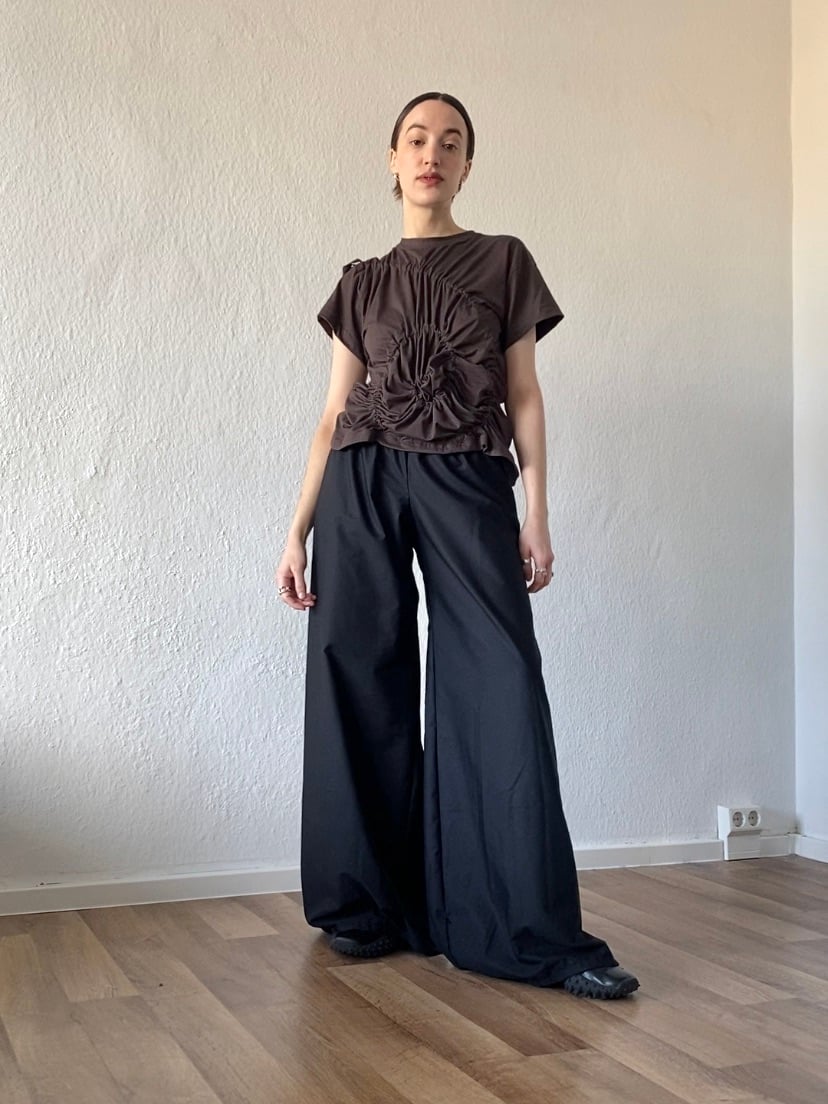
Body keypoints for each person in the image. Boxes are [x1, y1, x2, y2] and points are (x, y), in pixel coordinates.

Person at [275, 92, 639, 1000]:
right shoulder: (360, 282)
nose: (431, 153)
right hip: (362, 477)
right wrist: (296, 528)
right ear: (392, 159)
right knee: (358, 668)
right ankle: (369, 907)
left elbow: (524, 394)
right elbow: (332, 413)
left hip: (466, 473)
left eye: (450, 142)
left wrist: (537, 512)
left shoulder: (503, 259)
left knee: (498, 674)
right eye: (416, 139)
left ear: (468, 165)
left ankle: (528, 931)